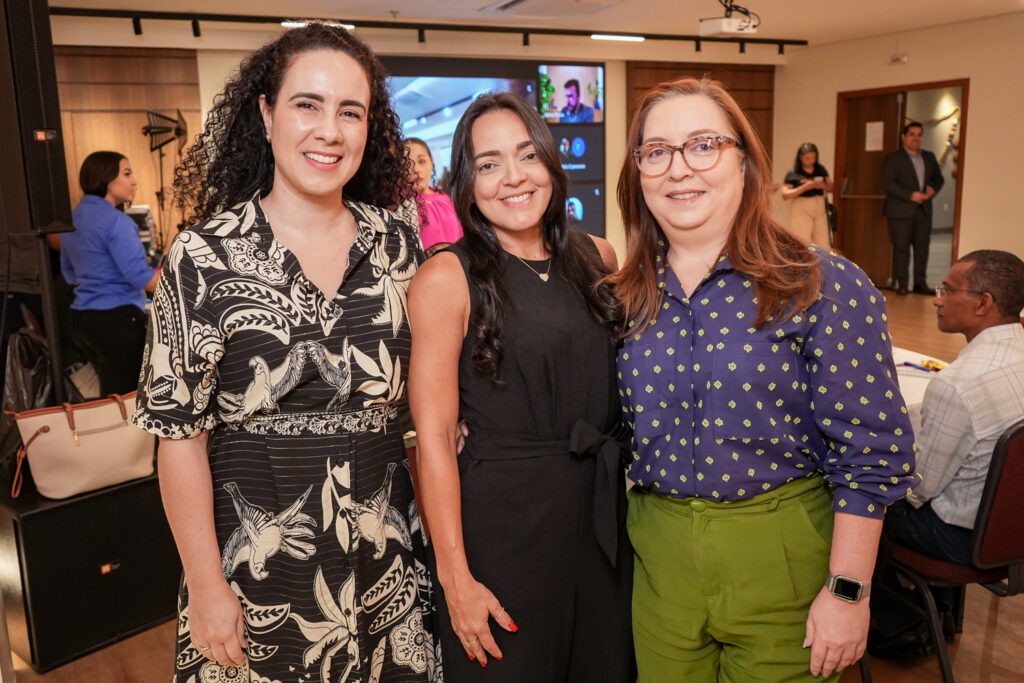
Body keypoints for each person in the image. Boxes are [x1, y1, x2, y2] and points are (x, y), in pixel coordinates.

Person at [132, 24, 440, 683]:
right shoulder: (203, 255)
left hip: (387, 567)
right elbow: (178, 437)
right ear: (267, 113)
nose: (329, 130)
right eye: (307, 104)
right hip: (255, 579)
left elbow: (435, 404)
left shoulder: (401, 247)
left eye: (349, 111)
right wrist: (206, 584)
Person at [611, 77, 918, 682]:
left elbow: (872, 455)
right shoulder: (623, 297)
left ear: (746, 161)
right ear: (638, 172)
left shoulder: (819, 282)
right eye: (657, 151)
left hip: (782, 556)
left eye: (704, 145)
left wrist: (849, 593)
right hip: (658, 559)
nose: (679, 169)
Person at [408, 92, 634, 681]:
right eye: (488, 164)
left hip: (602, 522)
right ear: (467, 182)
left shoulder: (599, 255)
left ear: (551, 165)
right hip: (505, 531)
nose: (513, 178)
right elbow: (433, 439)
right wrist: (454, 578)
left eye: (527, 155)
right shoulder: (446, 276)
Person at [869, 250, 1024, 656]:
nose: (936, 299)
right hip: (1010, 526)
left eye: (947, 290)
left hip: (961, 538)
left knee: (853, 497)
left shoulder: (957, 386)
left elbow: (919, 490)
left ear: (983, 303)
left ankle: (893, 619)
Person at [61, 151, 159, 396]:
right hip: (118, 322)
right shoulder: (117, 221)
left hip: (83, 321)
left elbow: (69, 272)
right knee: (127, 401)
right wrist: (186, 287)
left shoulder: (71, 219)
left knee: (110, 396)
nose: (133, 181)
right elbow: (141, 277)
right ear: (106, 178)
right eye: (126, 174)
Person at [882, 122, 944, 295]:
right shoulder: (893, 158)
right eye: (912, 134)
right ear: (904, 137)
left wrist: (932, 189)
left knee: (922, 249)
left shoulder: (929, 157)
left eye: (919, 134)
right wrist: (910, 195)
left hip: (923, 210)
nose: (916, 138)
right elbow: (887, 183)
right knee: (901, 249)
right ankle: (902, 284)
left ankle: (920, 284)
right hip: (899, 212)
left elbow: (939, 179)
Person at [404, 137, 463, 255]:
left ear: (431, 162)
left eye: (421, 161)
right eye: (407, 164)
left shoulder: (446, 199)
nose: (416, 169)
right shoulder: (401, 204)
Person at [781, 142, 834, 248]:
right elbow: (785, 195)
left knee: (823, 241)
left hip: (819, 205)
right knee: (803, 240)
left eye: (813, 158)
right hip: (801, 206)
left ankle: (823, 264)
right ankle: (806, 264)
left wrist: (823, 186)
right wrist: (805, 187)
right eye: (807, 158)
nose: (811, 161)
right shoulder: (793, 173)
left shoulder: (820, 169)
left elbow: (831, 187)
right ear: (800, 157)